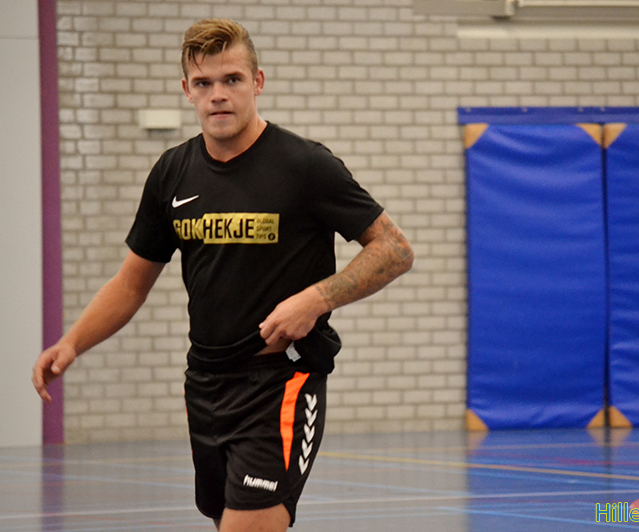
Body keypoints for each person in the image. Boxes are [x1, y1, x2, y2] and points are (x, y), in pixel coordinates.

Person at [32, 18, 414, 532]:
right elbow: (130, 283)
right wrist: (72, 343)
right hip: (205, 386)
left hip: (280, 383)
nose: (218, 94)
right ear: (186, 90)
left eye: (232, 79)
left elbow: (394, 249)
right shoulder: (172, 172)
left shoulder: (305, 165)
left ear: (257, 82)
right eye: (204, 82)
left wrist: (316, 299)